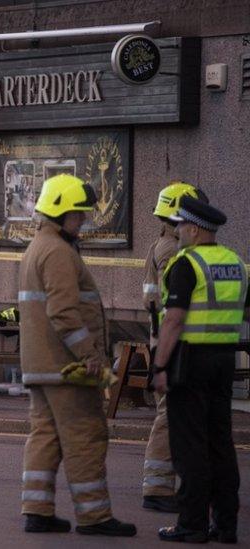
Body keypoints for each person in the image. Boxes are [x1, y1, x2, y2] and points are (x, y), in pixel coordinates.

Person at [17, 174, 136, 537]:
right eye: (78, 214)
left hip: (42, 366)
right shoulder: (57, 252)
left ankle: (37, 510)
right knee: (86, 434)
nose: (82, 220)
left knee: (46, 435)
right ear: (59, 212)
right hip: (66, 367)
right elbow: (64, 312)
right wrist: (92, 356)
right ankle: (94, 516)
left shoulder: (39, 246)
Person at [151, 196, 246, 544]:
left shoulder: (186, 264)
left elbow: (173, 321)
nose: (177, 231)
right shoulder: (236, 263)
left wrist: (159, 365)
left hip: (189, 363)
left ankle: (192, 524)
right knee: (221, 443)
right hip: (224, 362)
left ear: (193, 229)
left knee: (190, 446)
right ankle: (226, 525)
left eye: (180, 226)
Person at [139, 182, 206, 513]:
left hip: (163, 337)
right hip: (171, 340)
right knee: (169, 414)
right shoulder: (172, 252)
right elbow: (174, 306)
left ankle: (166, 484)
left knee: (174, 413)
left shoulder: (160, 245)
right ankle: (157, 486)